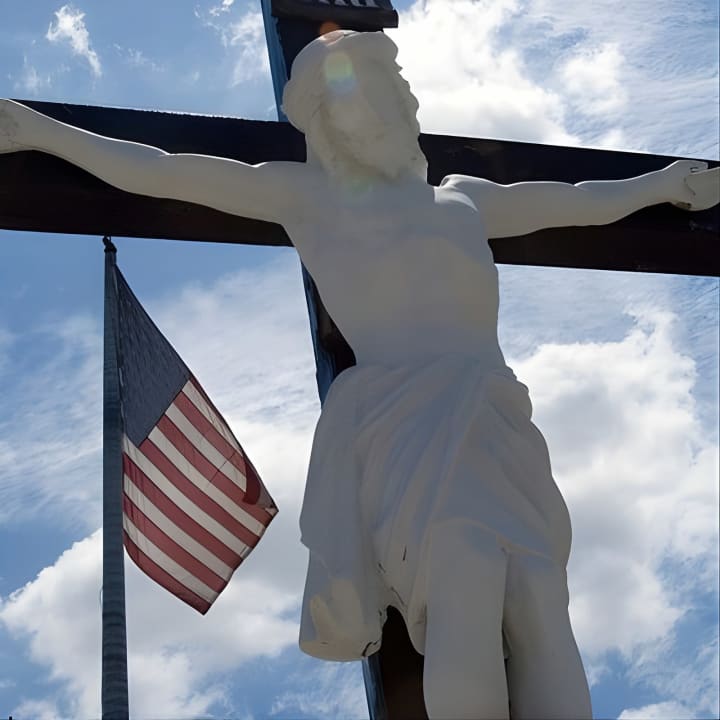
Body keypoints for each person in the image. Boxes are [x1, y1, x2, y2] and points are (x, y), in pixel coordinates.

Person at [1, 29, 717, 720]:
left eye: (392, 87)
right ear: (328, 122)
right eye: (362, 91)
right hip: (405, 420)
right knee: (463, 574)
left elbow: (582, 198)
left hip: (496, 414)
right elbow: (162, 169)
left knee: (538, 596)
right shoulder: (308, 198)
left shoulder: (465, 199)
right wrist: (41, 132)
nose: (388, 103)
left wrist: (664, 185)